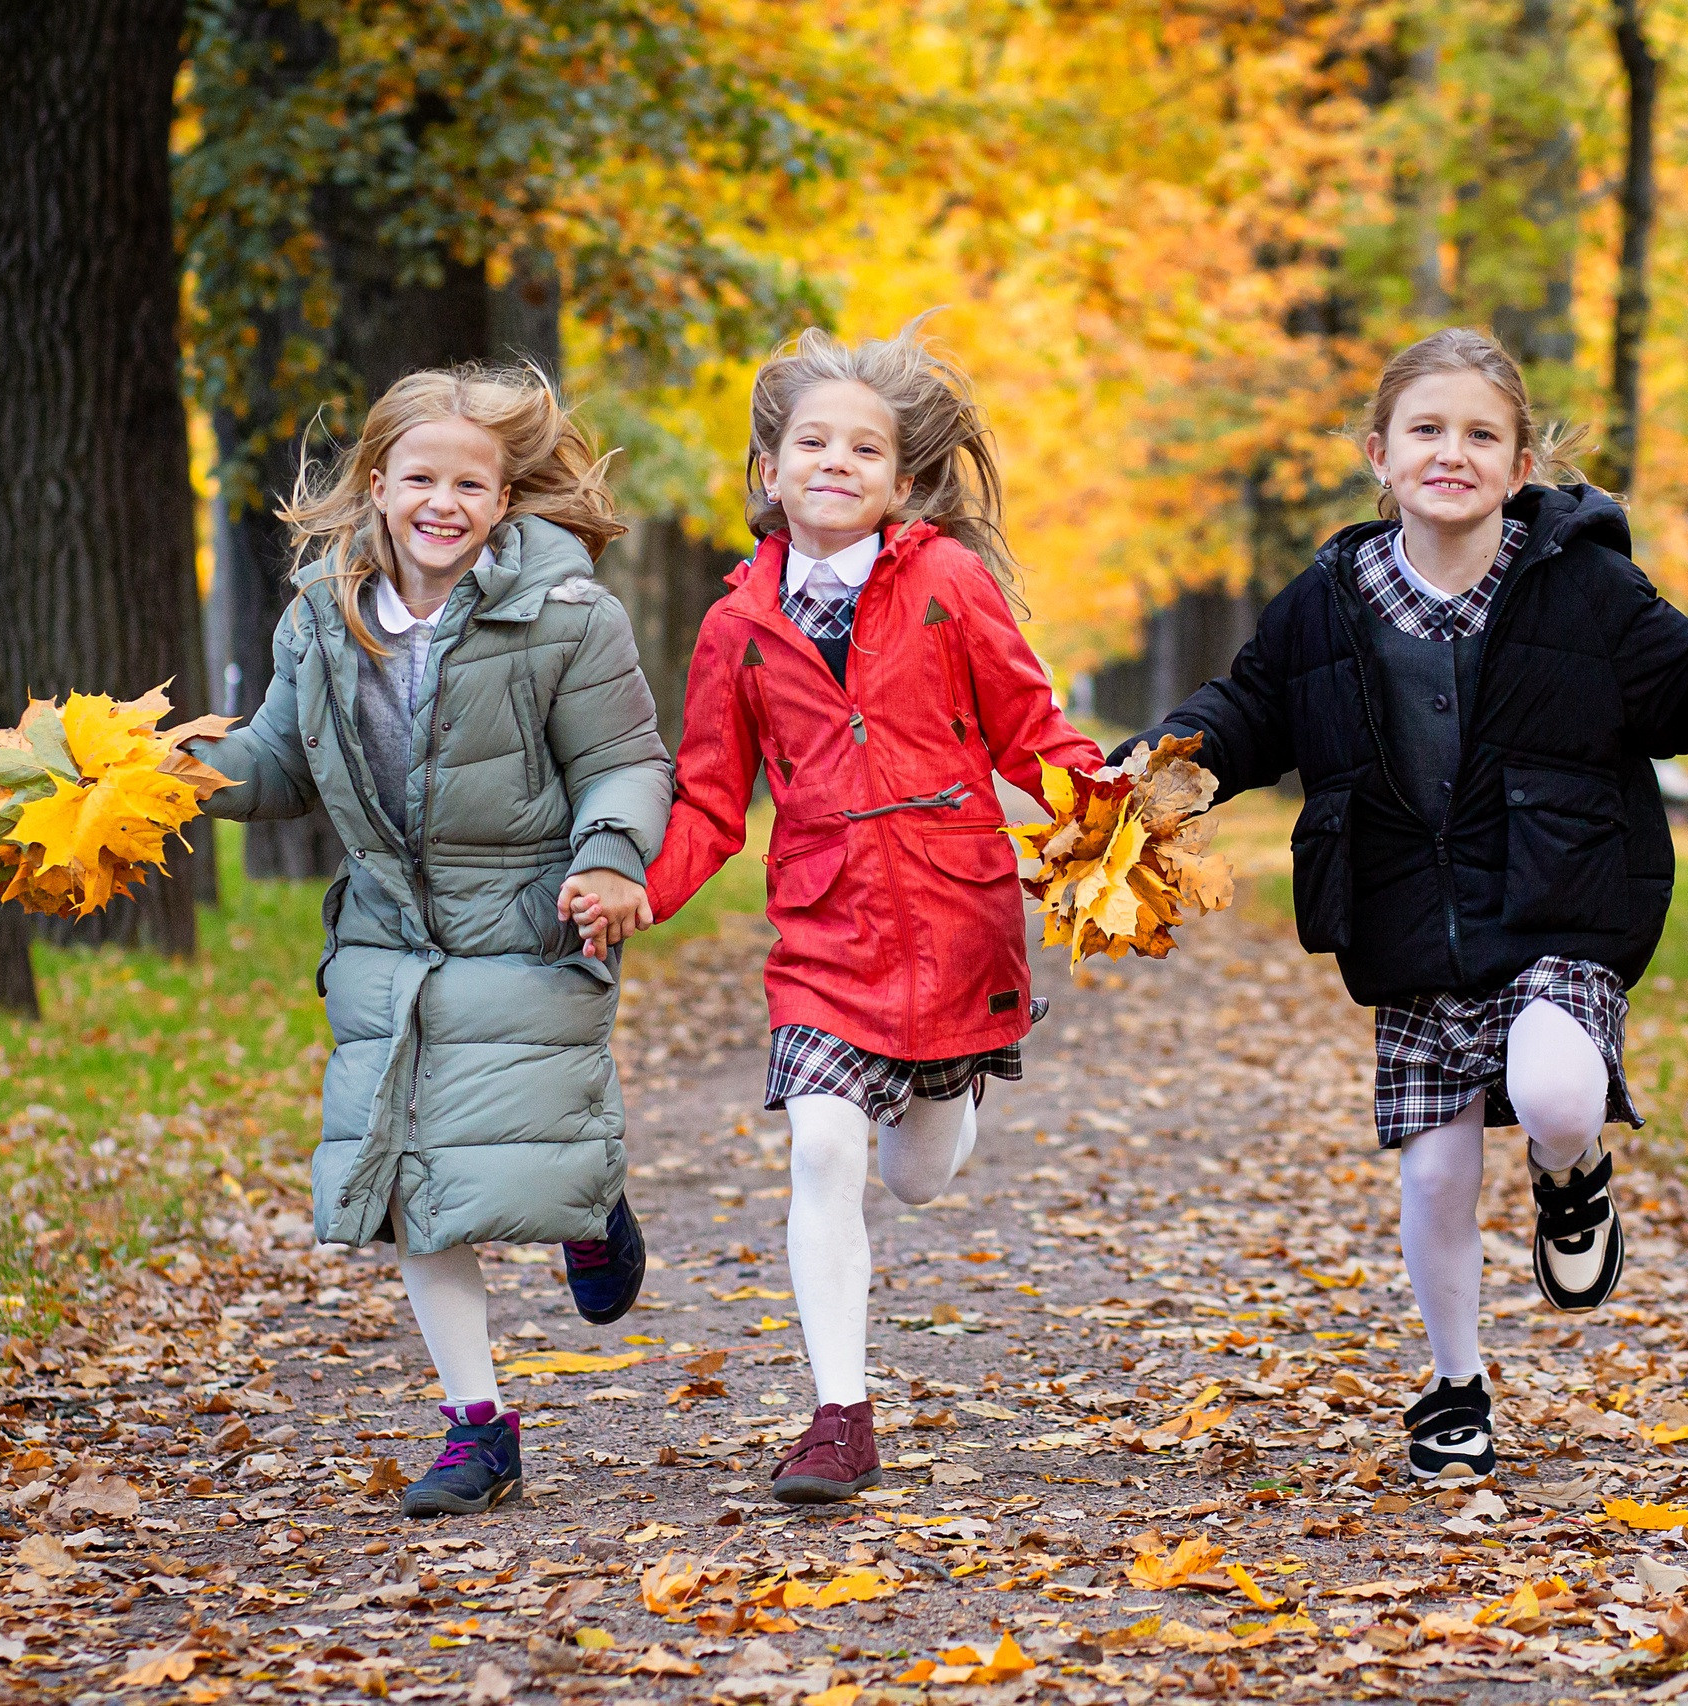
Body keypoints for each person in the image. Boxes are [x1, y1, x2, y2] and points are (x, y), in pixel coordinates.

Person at [1118, 328, 1688, 1480]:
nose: (1450, 451)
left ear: (1518, 465)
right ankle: (1456, 1386)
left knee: (1558, 1083)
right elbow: (1246, 711)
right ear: (1379, 452)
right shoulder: (1327, 600)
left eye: (1479, 435)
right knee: (1436, 1174)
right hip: (1408, 918)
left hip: (1560, 900)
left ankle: (1571, 1176)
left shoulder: (1587, 588)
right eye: (1425, 429)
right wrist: (1144, 772)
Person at [580, 320, 1102, 1504]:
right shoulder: (734, 627)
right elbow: (710, 797)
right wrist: (639, 890)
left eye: (863, 448)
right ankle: (838, 1414)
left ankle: (945, 1084)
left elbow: (1032, 731)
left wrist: (1111, 807)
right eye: (810, 441)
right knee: (822, 1148)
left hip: (958, 915)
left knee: (916, 1178)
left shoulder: (949, 585)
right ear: (768, 471)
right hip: (824, 929)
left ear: (902, 482)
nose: (834, 461)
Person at [195, 364, 671, 1516]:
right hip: (387, 938)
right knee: (413, 1182)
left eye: (471, 482)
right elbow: (280, 762)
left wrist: (608, 856)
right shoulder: (319, 613)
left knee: (522, 1147)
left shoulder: (567, 618)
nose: (442, 501)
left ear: (505, 500)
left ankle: (589, 1201)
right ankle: (478, 1427)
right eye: (420, 477)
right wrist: (184, 774)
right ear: (378, 482)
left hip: (527, 920)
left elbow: (624, 762)